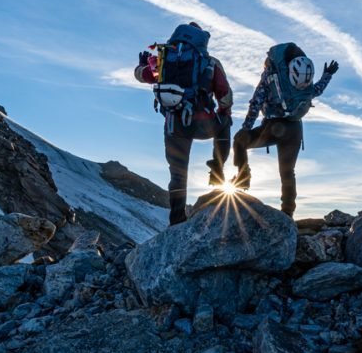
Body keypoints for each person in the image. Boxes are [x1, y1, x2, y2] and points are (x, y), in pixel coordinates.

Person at [135, 22, 234, 225]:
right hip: (203, 123)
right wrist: (223, 113)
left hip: (174, 125)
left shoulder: (163, 59)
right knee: (225, 123)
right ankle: (217, 168)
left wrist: (141, 66)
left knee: (178, 174)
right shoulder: (210, 62)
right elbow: (225, 96)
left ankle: (177, 219)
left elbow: (142, 76)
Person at [231, 43, 338, 217]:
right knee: (287, 172)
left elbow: (256, 102)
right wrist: (328, 75)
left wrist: (246, 128)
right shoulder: (303, 77)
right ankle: (288, 213)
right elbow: (316, 91)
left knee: (239, 141)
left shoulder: (271, 76)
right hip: (294, 129)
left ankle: (243, 177)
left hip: (272, 127)